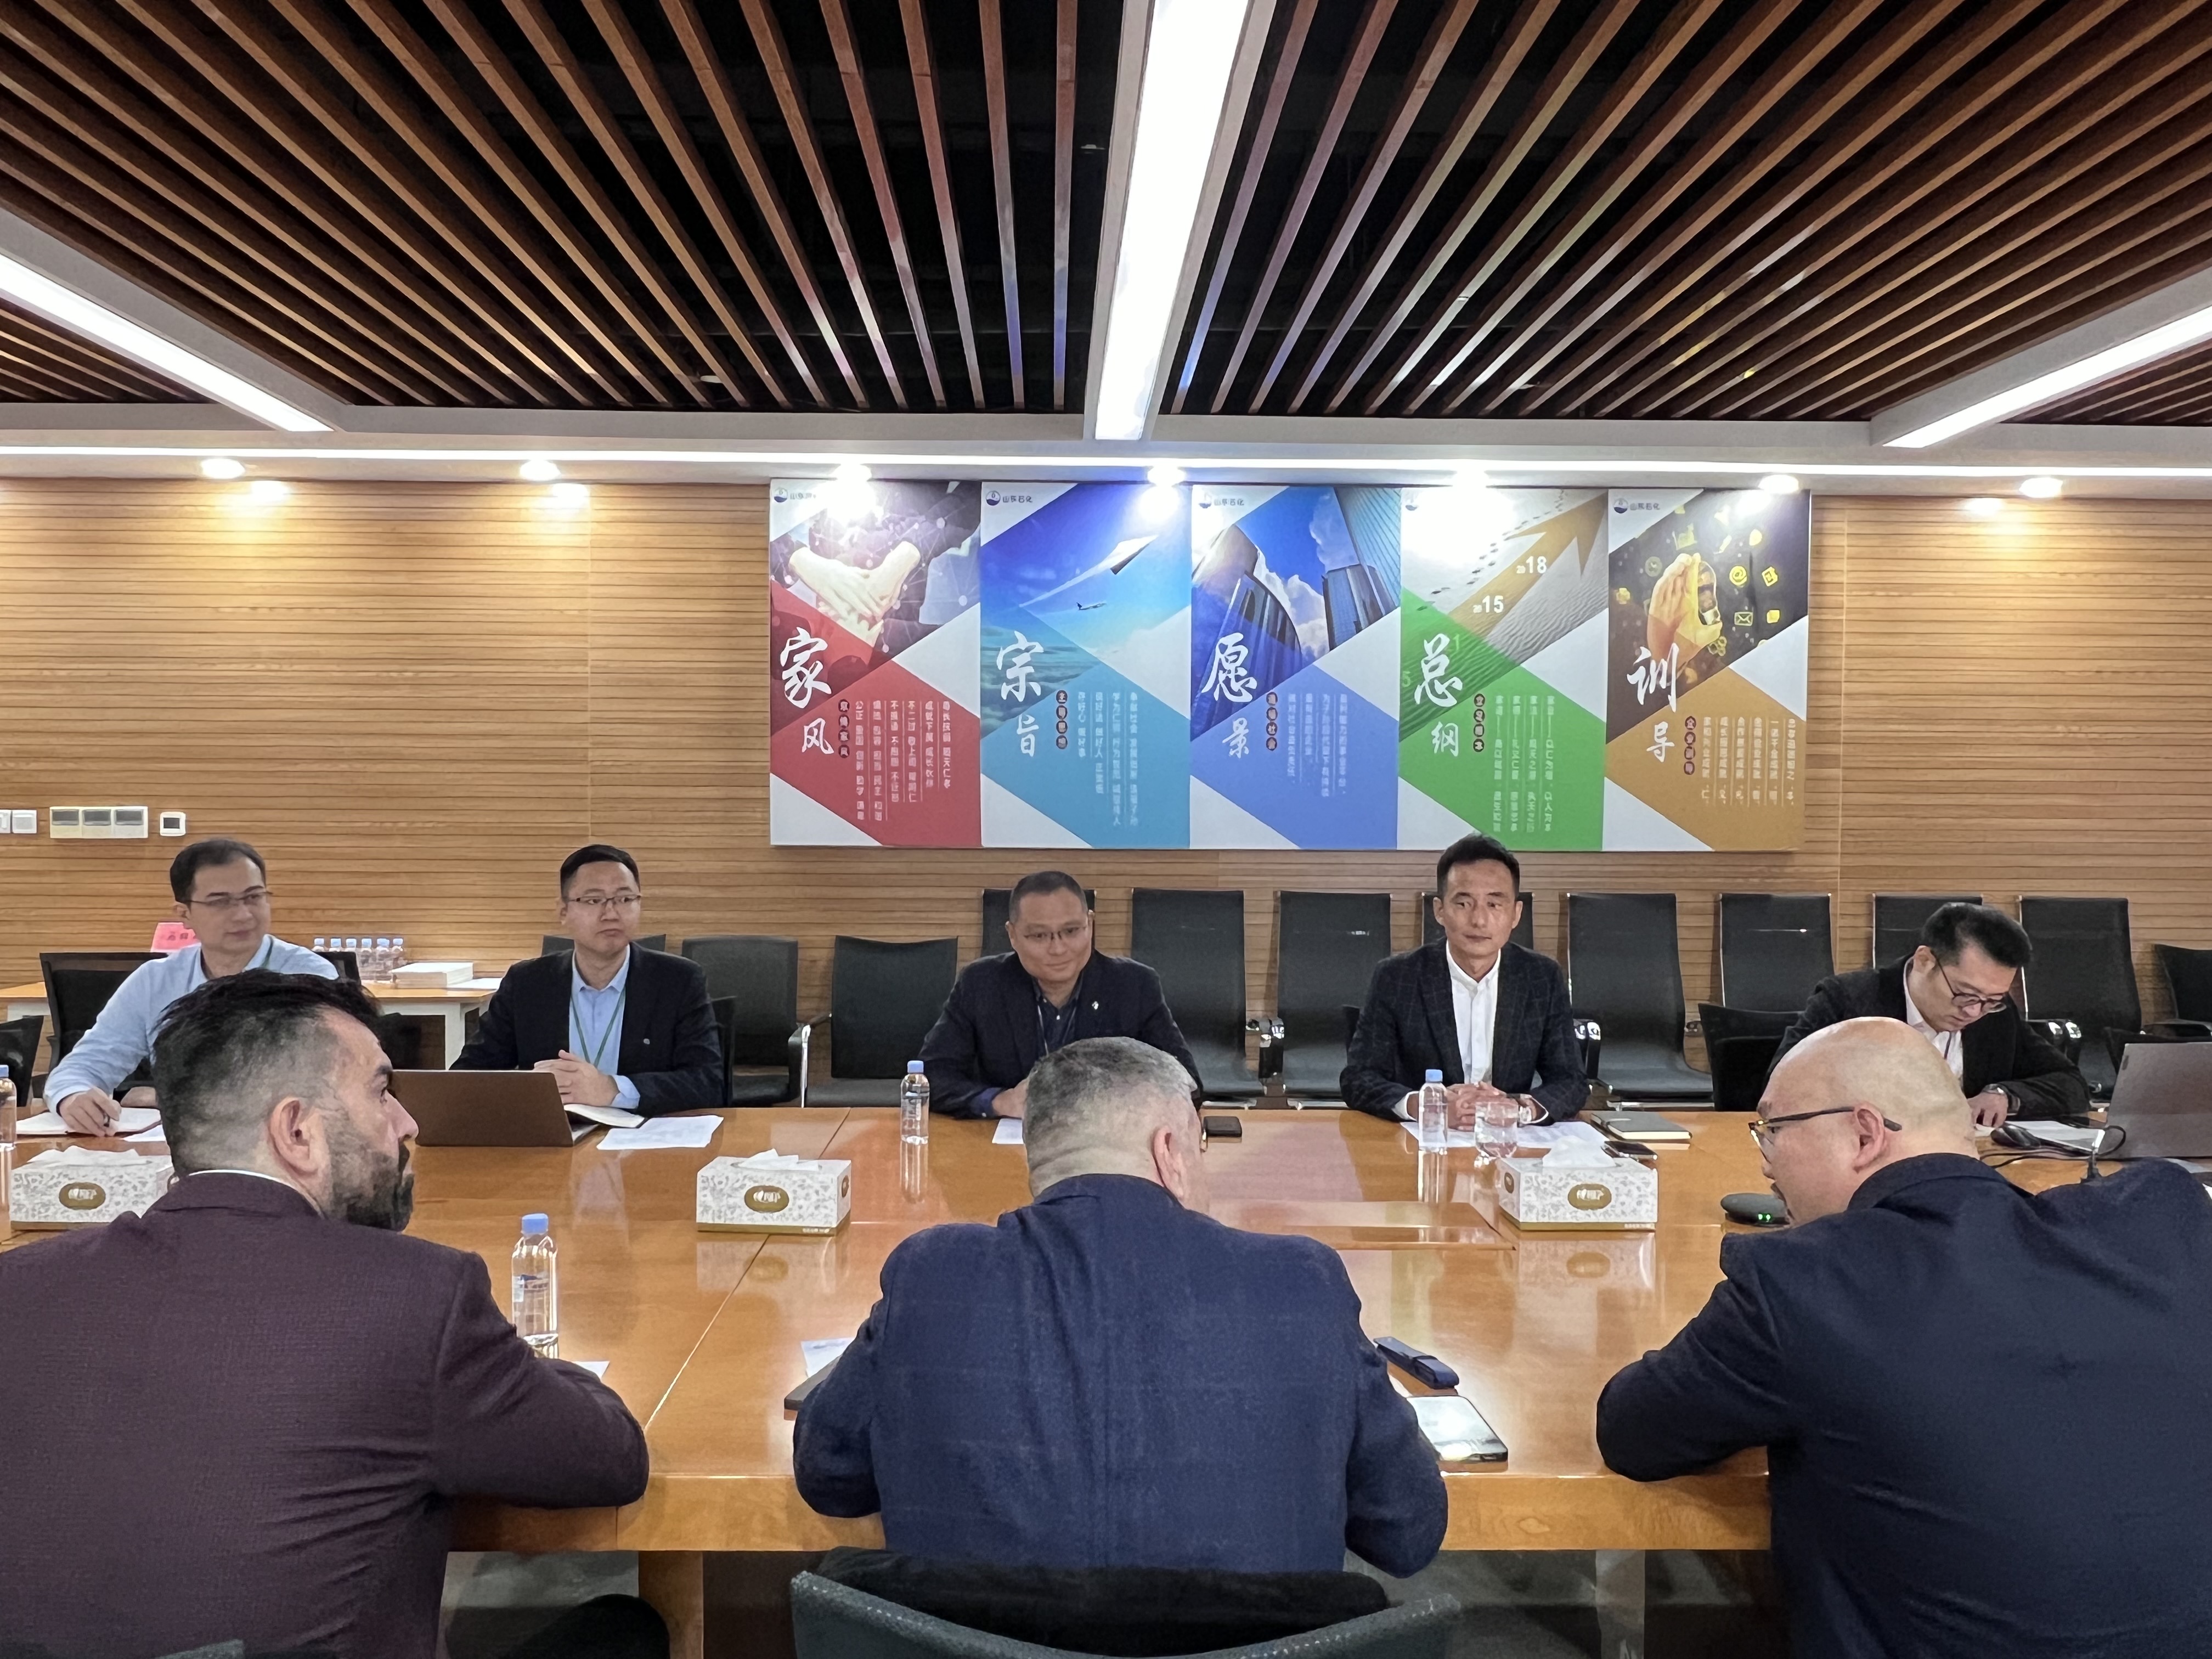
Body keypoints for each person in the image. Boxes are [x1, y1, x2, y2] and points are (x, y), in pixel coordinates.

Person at [0, 971, 662, 1659]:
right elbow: (610, 1458)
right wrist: (528, 1362)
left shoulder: (16, 1285)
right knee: (625, 1630)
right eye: (381, 1092)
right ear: (297, 1132)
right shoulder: (416, 1298)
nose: (407, 1123)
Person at [1596, 1018, 2212, 1659]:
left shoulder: (1805, 1283)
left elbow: (1633, 1429)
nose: (1765, 1157)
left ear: (1864, 1134)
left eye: (1774, 1127)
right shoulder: (2163, 1223)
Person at [794, 1036, 1446, 1576]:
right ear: (1170, 1151)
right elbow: (1408, 1530)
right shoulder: (1300, 1282)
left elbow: (829, 1476)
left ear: (1040, 1154)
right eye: (1200, 1144)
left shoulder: (932, 1273)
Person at [47, 836, 336, 1134]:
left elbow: (329, 1080)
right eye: (220, 902)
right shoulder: (156, 981)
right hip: (177, 1145)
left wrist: (164, 1098)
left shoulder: (308, 977)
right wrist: (73, 1097)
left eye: (254, 897)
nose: (243, 914)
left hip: (287, 1139)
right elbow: (84, 1066)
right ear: (185, 914)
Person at [454, 844, 723, 1114]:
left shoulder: (678, 981)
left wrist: (612, 1089)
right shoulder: (527, 983)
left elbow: (708, 1084)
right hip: (554, 1132)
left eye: (625, 899)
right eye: (594, 901)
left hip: (644, 1133)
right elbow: (467, 1077)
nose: (611, 914)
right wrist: (531, 1088)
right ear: (563, 911)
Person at [1340, 834, 1586, 1124]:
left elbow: (1571, 1080)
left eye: (1494, 904)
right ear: (1440, 910)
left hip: (1507, 1137)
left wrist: (1519, 1109)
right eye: (1464, 904)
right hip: (1426, 1139)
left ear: (1516, 914)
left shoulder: (1541, 978)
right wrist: (1428, 1106)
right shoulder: (1397, 978)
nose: (1479, 920)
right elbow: (1359, 1078)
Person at [1775, 901, 2086, 1126]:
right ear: (1925, 961)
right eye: (1964, 993)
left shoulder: (1995, 1014)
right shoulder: (1848, 1001)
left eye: (1992, 999)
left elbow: (2071, 1084)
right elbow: (1782, 1088)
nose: (1974, 1012)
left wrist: (2005, 1094)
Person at [919, 870, 1198, 1119]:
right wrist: (1000, 1102)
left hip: (1103, 1141)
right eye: (1039, 936)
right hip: (1005, 1143)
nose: (1058, 949)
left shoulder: (1134, 985)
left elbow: (1186, 1082)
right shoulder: (981, 984)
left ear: (1090, 924)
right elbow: (931, 1076)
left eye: (1071, 931)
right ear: (1012, 935)